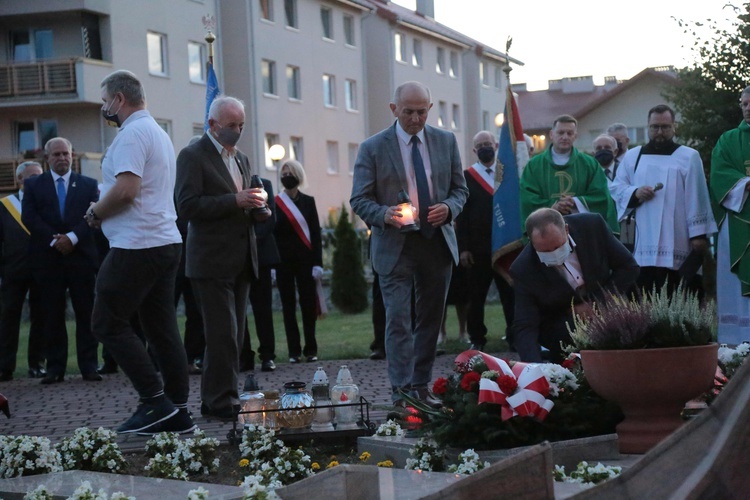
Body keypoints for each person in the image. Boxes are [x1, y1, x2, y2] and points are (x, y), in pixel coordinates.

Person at [350, 81, 468, 408]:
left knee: (430, 319)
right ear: (393, 109)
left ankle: (420, 385)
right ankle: (400, 392)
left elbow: (461, 190)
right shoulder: (372, 147)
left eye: (421, 112)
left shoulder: (446, 141)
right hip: (394, 245)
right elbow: (358, 200)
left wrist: (450, 208)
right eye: (408, 112)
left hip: (436, 241)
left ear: (430, 109)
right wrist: (385, 214)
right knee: (398, 319)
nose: (415, 119)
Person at [87, 69, 192, 434]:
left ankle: (154, 402)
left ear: (119, 99)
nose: (104, 108)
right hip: (164, 241)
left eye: (105, 101)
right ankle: (178, 411)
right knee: (161, 328)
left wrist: (95, 212)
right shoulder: (158, 132)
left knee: (106, 322)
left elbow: (127, 190)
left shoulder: (132, 133)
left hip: (138, 243)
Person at [175, 95, 269, 421]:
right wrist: (234, 200)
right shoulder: (192, 156)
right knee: (222, 334)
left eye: (241, 125)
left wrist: (258, 207)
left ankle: (218, 397)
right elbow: (186, 206)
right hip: (211, 260)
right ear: (212, 125)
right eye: (232, 126)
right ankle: (221, 401)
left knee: (236, 335)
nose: (238, 131)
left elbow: (246, 198)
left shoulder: (241, 158)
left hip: (242, 258)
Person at [611, 104, 717, 295]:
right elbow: (616, 187)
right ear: (648, 127)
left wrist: (699, 235)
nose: (660, 132)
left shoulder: (688, 156)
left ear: (674, 127)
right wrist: (635, 193)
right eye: (655, 127)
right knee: (644, 299)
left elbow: (697, 196)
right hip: (642, 244)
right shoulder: (633, 157)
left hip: (678, 239)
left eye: (665, 127)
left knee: (679, 297)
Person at [510, 208, 639, 362]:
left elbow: (629, 266)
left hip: (608, 311)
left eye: (558, 247)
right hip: (563, 329)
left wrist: (597, 303)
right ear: (531, 241)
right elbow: (525, 325)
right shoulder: (523, 269)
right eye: (545, 251)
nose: (554, 254)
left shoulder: (592, 226)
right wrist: (534, 370)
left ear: (566, 229)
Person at [22, 137, 100, 385]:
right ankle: (55, 368)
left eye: (65, 153)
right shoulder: (34, 185)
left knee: (86, 312)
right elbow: (30, 218)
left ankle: (88, 366)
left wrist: (73, 238)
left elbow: (93, 217)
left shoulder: (88, 185)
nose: (62, 158)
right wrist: (56, 241)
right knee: (52, 314)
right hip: (48, 259)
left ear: (72, 155)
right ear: (47, 158)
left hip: (81, 259)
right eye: (56, 154)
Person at [456, 130, 515, 352]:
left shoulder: (507, 174)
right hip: (478, 249)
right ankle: (477, 338)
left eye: (487, 144)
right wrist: (463, 248)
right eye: (479, 145)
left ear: (496, 145)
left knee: (510, 295)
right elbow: (461, 215)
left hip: (505, 246)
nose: (484, 148)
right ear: (474, 151)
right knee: (476, 296)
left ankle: (513, 335)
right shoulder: (467, 176)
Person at [520, 115, 618, 233]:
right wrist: (552, 206)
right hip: (545, 231)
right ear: (551, 134)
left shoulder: (590, 164)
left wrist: (575, 202)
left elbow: (601, 196)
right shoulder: (534, 165)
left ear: (575, 136)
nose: (565, 137)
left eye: (570, 133)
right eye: (560, 133)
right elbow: (527, 198)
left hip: (582, 231)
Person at [709, 85, 750, 345]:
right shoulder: (728, 139)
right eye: (745, 104)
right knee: (734, 287)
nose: (748, 108)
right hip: (737, 219)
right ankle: (737, 344)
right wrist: (745, 184)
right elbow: (719, 174)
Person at [0, 161, 45, 381]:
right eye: (31, 176)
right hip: (13, 270)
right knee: (8, 319)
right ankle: (4, 366)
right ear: (19, 179)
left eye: (39, 176)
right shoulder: (5, 205)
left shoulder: (47, 203)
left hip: (42, 269)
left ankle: (37, 364)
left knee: (40, 318)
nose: (36, 180)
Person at [274, 159, 322, 363]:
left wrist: (318, 263)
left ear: (298, 175)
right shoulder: (276, 203)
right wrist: (273, 266)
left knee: (308, 305)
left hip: (306, 261)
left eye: (290, 173)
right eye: (283, 174)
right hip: (283, 262)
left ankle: (310, 349)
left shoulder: (308, 201)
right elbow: (273, 235)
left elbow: (316, 234)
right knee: (288, 306)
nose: (287, 177)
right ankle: (294, 351)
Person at [248, 176, 280, 372]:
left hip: (261, 256)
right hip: (236, 256)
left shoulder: (263, 184)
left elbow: (270, 219)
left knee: (263, 310)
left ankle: (267, 355)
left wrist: (251, 240)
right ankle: (243, 356)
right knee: (236, 310)